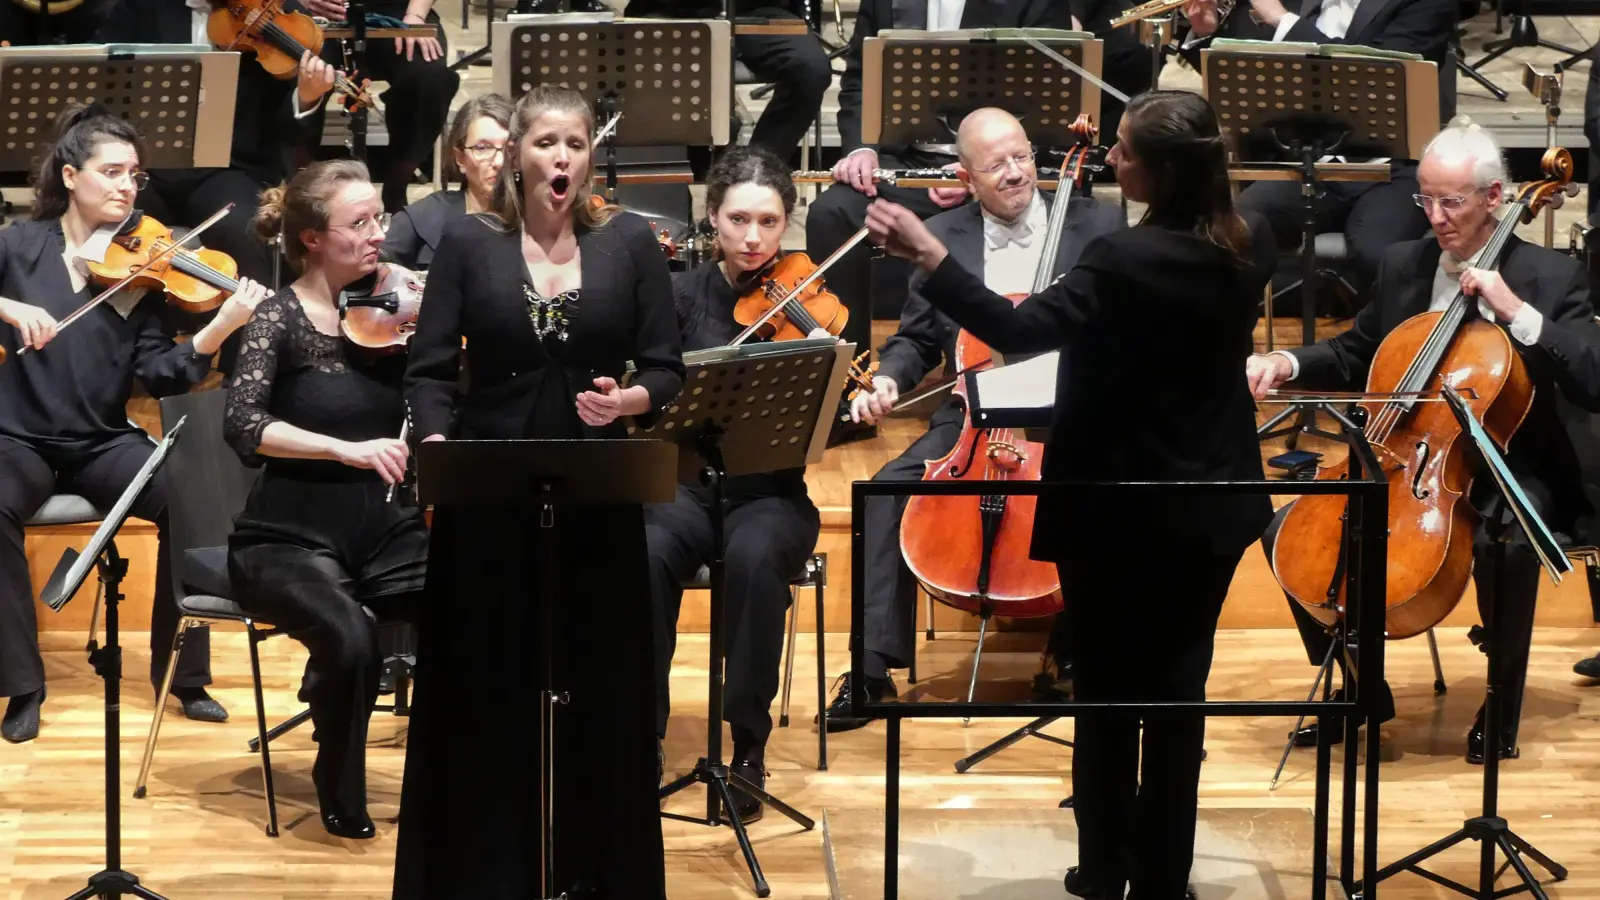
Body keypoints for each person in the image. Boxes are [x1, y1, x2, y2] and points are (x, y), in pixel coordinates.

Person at [865, 90, 1276, 900]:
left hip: (1117, 509)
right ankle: (1163, 877)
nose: (1109, 160)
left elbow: (1017, 333)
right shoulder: (1243, 245)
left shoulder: (1122, 261)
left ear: (1156, 171)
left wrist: (929, 256)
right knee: (1179, 695)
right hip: (1209, 504)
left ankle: (1102, 870)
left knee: (1107, 693)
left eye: (1122, 150)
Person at [395, 85, 683, 900]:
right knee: (487, 685)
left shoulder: (632, 243)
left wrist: (627, 401)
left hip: (596, 488)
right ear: (515, 154)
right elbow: (425, 373)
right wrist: (441, 450)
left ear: (592, 156)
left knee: (597, 684)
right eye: (546, 142)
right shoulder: (464, 243)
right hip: (487, 489)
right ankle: (486, 874)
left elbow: (664, 367)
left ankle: (594, 875)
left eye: (576, 144)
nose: (562, 158)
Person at [1246, 117, 1600, 762]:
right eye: (1426, 199)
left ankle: (1503, 701)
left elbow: (1592, 376)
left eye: (1452, 201)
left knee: (1507, 545)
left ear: (1495, 198)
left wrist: (1515, 311)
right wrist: (1287, 363)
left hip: (1517, 463)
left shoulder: (1551, 276)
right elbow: (1361, 350)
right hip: (1411, 456)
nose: (1435, 217)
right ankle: (1361, 688)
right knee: (1286, 532)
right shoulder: (1405, 263)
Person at [819, 106, 1127, 732]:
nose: (1015, 174)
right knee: (883, 492)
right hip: (972, 414)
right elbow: (918, 339)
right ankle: (872, 668)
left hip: (1072, 412)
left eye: (1023, 158)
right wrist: (887, 378)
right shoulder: (943, 234)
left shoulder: (1097, 221)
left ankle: (1072, 651)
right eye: (996, 166)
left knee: (1099, 487)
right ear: (966, 176)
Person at [0, 105, 269, 743]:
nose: (127, 186)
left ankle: (182, 673)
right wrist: (9, 308)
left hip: (101, 440)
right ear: (70, 176)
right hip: (19, 439)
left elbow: (160, 373)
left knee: (189, 498)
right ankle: (22, 683)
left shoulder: (145, 273)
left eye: (135, 175)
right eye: (112, 171)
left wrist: (218, 329)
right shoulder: (17, 246)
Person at [221, 160, 428, 839]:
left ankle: (460, 775)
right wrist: (346, 450)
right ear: (311, 238)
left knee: (479, 599)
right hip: (287, 535)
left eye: (380, 218)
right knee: (350, 636)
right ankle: (338, 782)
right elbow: (244, 425)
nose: (378, 235)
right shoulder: (276, 319)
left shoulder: (398, 309)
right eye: (359, 223)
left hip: (385, 530)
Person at [646, 146, 822, 820]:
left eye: (770, 222)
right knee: (646, 552)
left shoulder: (813, 300)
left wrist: (850, 404)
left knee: (754, 560)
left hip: (770, 492)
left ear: (787, 224)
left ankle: (748, 741)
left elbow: (823, 428)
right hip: (685, 488)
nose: (754, 238)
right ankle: (642, 735)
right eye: (739, 220)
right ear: (711, 219)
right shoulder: (676, 295)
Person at [804, 0, 1073, 391]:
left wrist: (978, 168)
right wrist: (862, 147)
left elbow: (1054, 89)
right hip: (909, 160)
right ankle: (849, 383)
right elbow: (860, 78)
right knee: (833, 213)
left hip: (994, 167)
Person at [1179, 0, 1454, 294]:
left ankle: (1366, 330)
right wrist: (1207, 32)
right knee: (1231, 231)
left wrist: (1283, 21)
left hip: (1393, 167)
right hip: (1313, 162)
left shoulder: (1426, 4)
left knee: (1378, 255)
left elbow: (1365, 76)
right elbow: (1247, 73)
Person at [105, 0, 341, 291]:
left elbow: (289, 134)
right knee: (99, 217)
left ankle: (254, 329)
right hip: (148, 165)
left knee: (243, 231)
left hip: (232, 167)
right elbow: (103, 81)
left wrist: (306, 98)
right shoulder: (140, 8)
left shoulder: (280, 14)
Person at [297, 0, 462, 212]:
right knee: (293, 68)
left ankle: (397, 184)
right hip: (317, 11)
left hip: (399, 12)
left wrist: (416, 16)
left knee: (430, 78)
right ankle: (303, 186)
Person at [622, 0, 832, 163]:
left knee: (811, 68)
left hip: (755, 10)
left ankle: (756, 170)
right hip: (668, 11)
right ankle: (669, 189)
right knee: (648, 65)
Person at [382, 94, 514, 270]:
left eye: (509, 148)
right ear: (460, 158)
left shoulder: (542, 219)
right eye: (482, 148)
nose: (499, 162)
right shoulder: (427, 215)